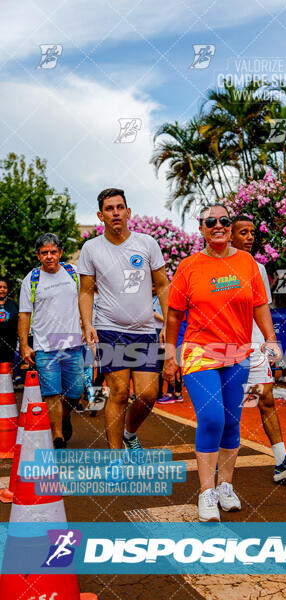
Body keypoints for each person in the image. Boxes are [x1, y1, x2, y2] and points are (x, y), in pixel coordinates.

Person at [163, 204, 280, 522]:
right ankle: (206, 492)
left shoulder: (247, 263)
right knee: (212, 419)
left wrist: (270, 339)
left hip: (238, 352)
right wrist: (169, 355)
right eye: (210, 221)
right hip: (199, 352)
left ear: (230, 227)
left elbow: (260, 305)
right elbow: (174, 315)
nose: (218, 225)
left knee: (231, 421)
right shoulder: (188, 267)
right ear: (200, 228)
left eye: (224, 221)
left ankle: (226, 486)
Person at [78, 188, 169, 450]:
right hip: (109, 328)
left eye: (120, 207)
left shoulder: (147, 243)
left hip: (144, 330)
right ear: (100, 215)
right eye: (109, 208)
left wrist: (168, 324)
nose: (115, 212)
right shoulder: (91, 248)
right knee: (118, 393)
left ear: (128, 212)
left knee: (148, 395)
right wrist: (87, 324)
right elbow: (85, 291)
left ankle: (130, 433)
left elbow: (162, 285)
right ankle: (115, 457)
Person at [230, 215, 286, 484]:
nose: (250, 237)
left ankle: (281, 461)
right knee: (228, 407)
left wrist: (269, 342)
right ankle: (219, 469)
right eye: (243, 232)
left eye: (252, 232)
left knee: (265, 398)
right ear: (230, 236)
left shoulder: (259, 269)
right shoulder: (216, 266)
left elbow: (261, 308)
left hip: (253, 345)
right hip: (224, 346)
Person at [18, 233, 84, 448]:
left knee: (75, 392)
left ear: (60, 253)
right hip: (45, 347)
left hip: (73, 345)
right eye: (44, 253)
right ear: (38, 255)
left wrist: (88, 325)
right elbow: (24, 314)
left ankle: (64, 418)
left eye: (53, 252)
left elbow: (85, 299)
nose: (49, 256)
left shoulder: (72, 273)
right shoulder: (32, 279)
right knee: (52, 393)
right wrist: (25, 345)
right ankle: (58, 436)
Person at [0, 279, 19, 368]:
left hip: (10, 342)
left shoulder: (12, 304)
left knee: (9, 366)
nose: (2, 289)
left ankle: (9, 381)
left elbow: (18, 320)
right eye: (0, 287)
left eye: (5, 287)